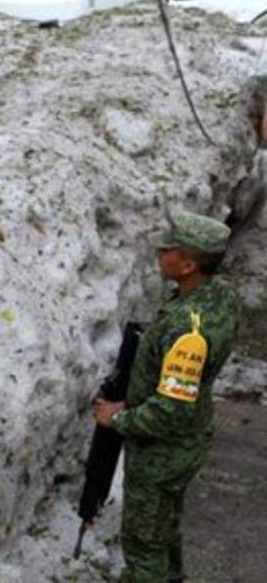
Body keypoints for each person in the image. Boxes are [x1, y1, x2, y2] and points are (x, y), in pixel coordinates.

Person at [93, 210, 241, 583]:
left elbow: (170, 410)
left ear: (188, 265)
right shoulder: (220, 295)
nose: (160, 253)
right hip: (187, 441)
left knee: (145, 549)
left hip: (162, 453)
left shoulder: (187, 330)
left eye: (169, 249)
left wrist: (118, 418)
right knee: (164, 532)